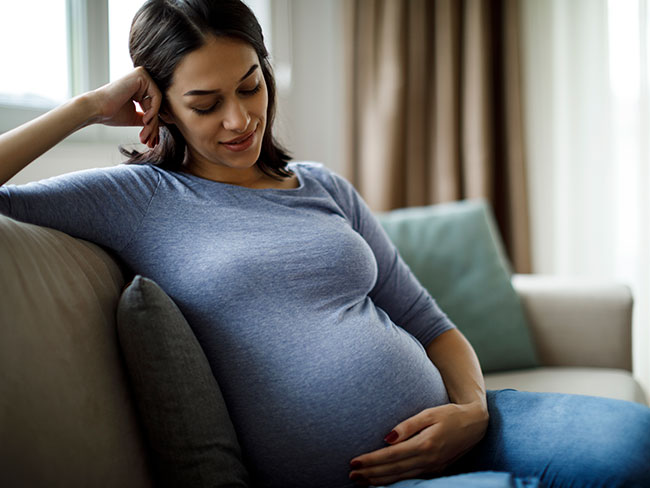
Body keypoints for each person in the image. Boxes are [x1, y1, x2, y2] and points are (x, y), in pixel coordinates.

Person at [0, 1, 649, 487]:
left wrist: (472, 410)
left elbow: (430, 323)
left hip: (470, 428)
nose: (239, 119)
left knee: (637, 445)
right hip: (369, 473)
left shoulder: (322, 187)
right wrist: (85, 106)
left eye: (250, 85)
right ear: (159, 107)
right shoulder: (137, 200)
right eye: (206, 102)